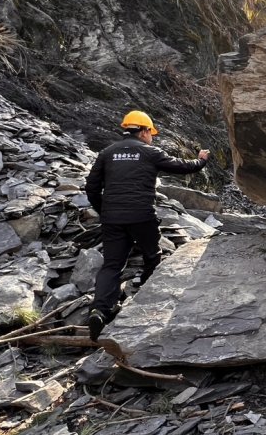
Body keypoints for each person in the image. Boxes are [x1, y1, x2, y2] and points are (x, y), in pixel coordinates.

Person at [85, 110, 210, 341]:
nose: (152, 137)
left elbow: (91, 187)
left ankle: (100, 311)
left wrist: (104, 211)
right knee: (152, 254)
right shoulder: (151, 152)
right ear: (143, 132)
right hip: (142, 215)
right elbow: (184, 167)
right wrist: (201, 159)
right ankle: (146, 290)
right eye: (151, 132)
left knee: (112, 265)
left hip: (113, 218)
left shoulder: (107, 153)